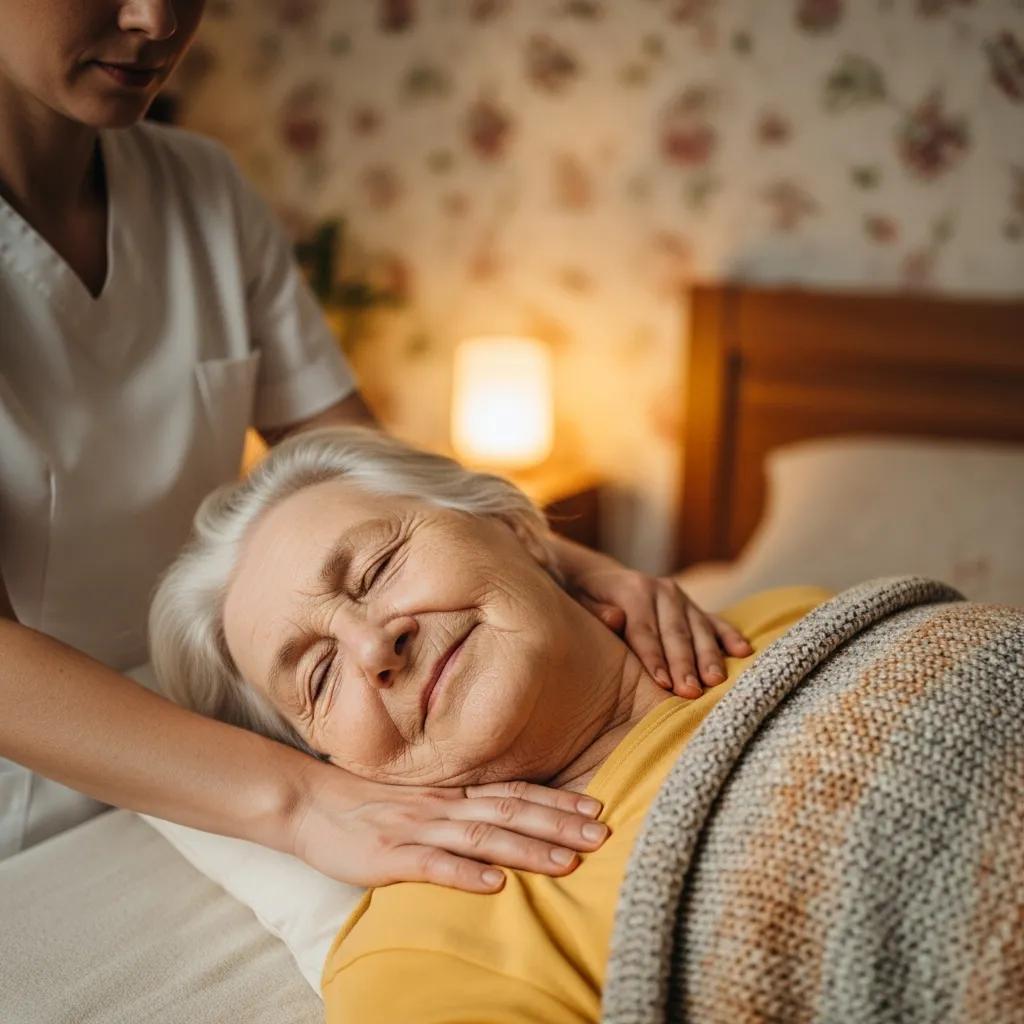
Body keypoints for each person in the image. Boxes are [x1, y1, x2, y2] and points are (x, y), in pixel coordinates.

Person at [0, 0, 750, 888]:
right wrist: (304, 803)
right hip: (37, 801)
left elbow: (347, 454)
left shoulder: (198, 186)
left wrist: (558, 563)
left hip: (240, 736)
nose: (156, 17)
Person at [149, 425, 825, 1022]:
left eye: (378, 569)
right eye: (319, 676)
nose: (372, 648)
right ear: (324, 759)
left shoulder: (794, 620)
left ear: (510, 526)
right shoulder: (425, 957)